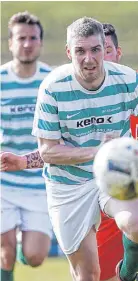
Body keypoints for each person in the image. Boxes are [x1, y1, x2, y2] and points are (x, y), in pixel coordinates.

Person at [0, 21, 138, 281]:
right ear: (69, 53)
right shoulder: (54, 87)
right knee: (89, 275)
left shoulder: (134, 81)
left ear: (117, 53)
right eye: (82, 51)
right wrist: (26, 160)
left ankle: (128, 274)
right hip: (75, 184)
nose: (92, 59)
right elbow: (50, 151)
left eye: (100, 50)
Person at [0, 11, 52, 281]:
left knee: (35, 257)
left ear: (40, 43)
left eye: (33, 38)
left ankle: (24, 244)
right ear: (10, 43)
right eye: (21, 38)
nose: (28, 43)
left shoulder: (52, 81)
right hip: (3, 179)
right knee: (4, 253)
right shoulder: (0, 80)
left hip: (39, 181)